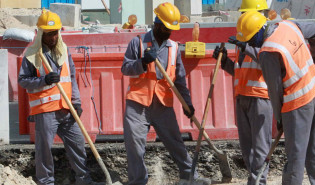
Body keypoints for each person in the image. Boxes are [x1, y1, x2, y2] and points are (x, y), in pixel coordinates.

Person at [121, 2, 211, 185]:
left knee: (175, 142)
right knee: (135, 146)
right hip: (138, 103)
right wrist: (142, 62)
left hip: (162, 104)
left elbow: (179, 80)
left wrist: (188, 103)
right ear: (157, 24)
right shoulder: (137, 42)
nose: (169, 32)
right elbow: (125, 68)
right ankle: (138, 181)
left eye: (171, 29)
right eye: (166, 28)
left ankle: (189, 177)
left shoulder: (174, 48)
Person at [236, 11, 315, 185]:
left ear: (258, 31)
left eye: (250, 39)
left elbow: (275, 90)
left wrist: (279, 119)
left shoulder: (267, 51)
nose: (250, 43)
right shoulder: (288, 25)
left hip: (297, 102)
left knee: (295, 156)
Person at [18, 10, 101, 185]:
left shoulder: (64, 51)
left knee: (78, 144)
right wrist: (43, 80)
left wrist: (76, 102)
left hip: (66, 108)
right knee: (44, 150)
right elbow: (23, 81)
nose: (53, 38)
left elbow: (71, 78)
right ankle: (46, 182)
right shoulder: (32, 55)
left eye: (55, 33)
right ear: (41, 33)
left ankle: (83, 180)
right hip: (46, 110)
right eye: (49, 34)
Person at [212, 1, 273, 184]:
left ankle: (258, 182)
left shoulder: (267, 37)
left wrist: (247, 47)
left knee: (261, 147)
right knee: (247, 148)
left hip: (260, 97)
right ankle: (253, 179)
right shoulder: (243, 40)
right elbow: (240, 70)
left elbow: (268, 63)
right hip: (242, 97)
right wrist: (224, 62)